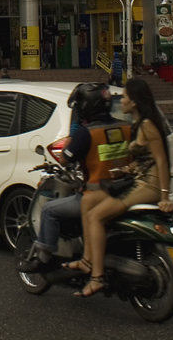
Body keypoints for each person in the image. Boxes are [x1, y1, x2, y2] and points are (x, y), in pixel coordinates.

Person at [75, 77, 173, 298]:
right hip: (139, 180)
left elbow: (161, 161)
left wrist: (165, 196)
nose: (121, 101)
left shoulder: (147, 125)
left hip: (148, 185)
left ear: (135, 102)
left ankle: (97, 278)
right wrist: (124, 170)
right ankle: (87, 259)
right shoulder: (139, 125)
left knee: (96, 216)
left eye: (125, 97)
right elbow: (145, 159)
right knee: (88, 200)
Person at [28, 83, 131, 267]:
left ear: (85, 107)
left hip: (96, 195)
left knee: (49, 210)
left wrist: (73, 133)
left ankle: (44, 259)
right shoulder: (127, 127)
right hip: (126, 191)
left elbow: (64, 160)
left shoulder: (86, 133)